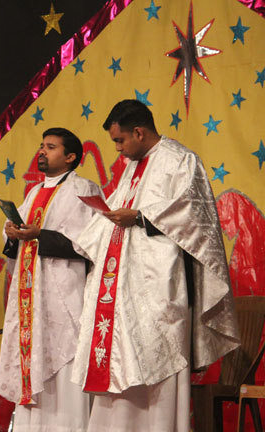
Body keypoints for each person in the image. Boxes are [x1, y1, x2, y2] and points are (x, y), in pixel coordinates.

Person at [71, 100, 240, 431]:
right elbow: (119, 209)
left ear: (139, 132)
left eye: (120, 141)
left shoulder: (181, 160)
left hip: (161, 284)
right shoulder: (133, 167)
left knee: (158, 356)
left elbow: (196, 216)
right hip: (124, 284)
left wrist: (140, 217)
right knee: (120, 359)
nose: (118, 149)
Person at [0, 128, 101, 431]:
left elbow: (89, 242)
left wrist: (40, 235)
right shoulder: (34, 192)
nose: (42, 151)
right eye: (42, 145)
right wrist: (12, 232)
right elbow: (19, 238)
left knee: (65, 368)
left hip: (64, 294)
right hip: (32, 294)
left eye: (51, 147)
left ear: (70, 157)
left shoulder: (84, 189)